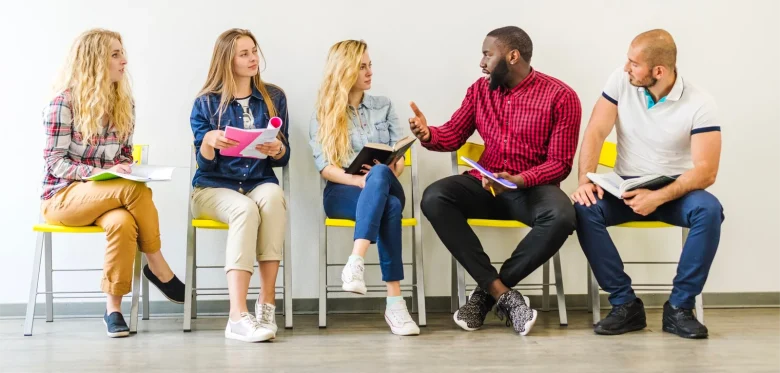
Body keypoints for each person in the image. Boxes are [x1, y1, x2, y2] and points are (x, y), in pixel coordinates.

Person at [413, 26, 582, 336]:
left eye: (487, 55)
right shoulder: (479, 91)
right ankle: (502, 294)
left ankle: (485, 295)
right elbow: (452, 133)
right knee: (435, 197)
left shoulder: (561, 96)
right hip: (486, 184)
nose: (482, 62)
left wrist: (518, 180)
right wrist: (429, 134)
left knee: (562, 216)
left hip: (531, 190)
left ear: (512, 56)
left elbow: (559, 165)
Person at [572, 29, 723, 339]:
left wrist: (658, 197)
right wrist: (584, 179)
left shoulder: (701, 102)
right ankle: (625, 306)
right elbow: (596, 131)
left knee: (709, 210)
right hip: (625, 188)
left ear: (659, 71)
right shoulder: (620, 80)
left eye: (634, 63)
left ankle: (679, 308)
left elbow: (706, 172)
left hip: (675, 192)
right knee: (583, 207)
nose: (627, 67)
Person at [40, 28, 185, 338]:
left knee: (122, 222)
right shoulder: (62, 104)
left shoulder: (124, 104)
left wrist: (126, 167)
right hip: (63, 199)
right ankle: (158, 265)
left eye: (122, 53)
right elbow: (55, 163)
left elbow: (124, 156)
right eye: (116, 54)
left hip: (109, 199)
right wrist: (94, 176)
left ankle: (113, 309)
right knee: (136, 189)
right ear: (95, 61)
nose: (125, 60)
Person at [309, 40, 420, 336]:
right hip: (343, 190)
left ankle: (356, 260)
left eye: (370, 65)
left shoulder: (383, 106)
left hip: (386, 182)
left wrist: (392, 165)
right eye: (362, 66)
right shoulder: (326, 113)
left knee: (382, 172)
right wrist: (359, 179)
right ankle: (395, 303)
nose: (370, 71)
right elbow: (326, 167)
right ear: (344, 70)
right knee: (391, 207)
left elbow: (399, 158)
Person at [190, 28, 290, 343]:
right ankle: (237, 316)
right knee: (244, 209)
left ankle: (266, 304)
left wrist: (278, 149)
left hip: (258, 181)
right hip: (212, 188)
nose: (252, 59)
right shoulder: (206, 103)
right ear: (227, 60)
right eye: (243, 54)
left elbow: (283, 159)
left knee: (273, 197)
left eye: (254, 51)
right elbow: (204, 164)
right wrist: (208, 141)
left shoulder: (274, 98)